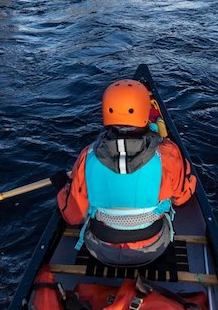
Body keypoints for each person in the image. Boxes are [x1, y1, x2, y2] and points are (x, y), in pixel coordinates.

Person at [50, 79, 197, 267]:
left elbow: (72, 216)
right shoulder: (168, 155)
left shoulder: (87, 156)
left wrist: (65, 186)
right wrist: (187, 173)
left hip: (99, 249)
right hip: (154, 247)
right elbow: (182, 198)